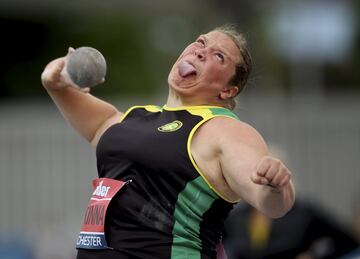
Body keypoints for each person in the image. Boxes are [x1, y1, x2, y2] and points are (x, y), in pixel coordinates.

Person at [41, 25, 295, 259]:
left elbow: (269, 201)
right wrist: (55, 84)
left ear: (228, 91)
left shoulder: (223, 129)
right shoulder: (136, 118)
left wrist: (275, 187)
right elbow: (98, 127)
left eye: (219, 56)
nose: (200, 52)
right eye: (201, 42)